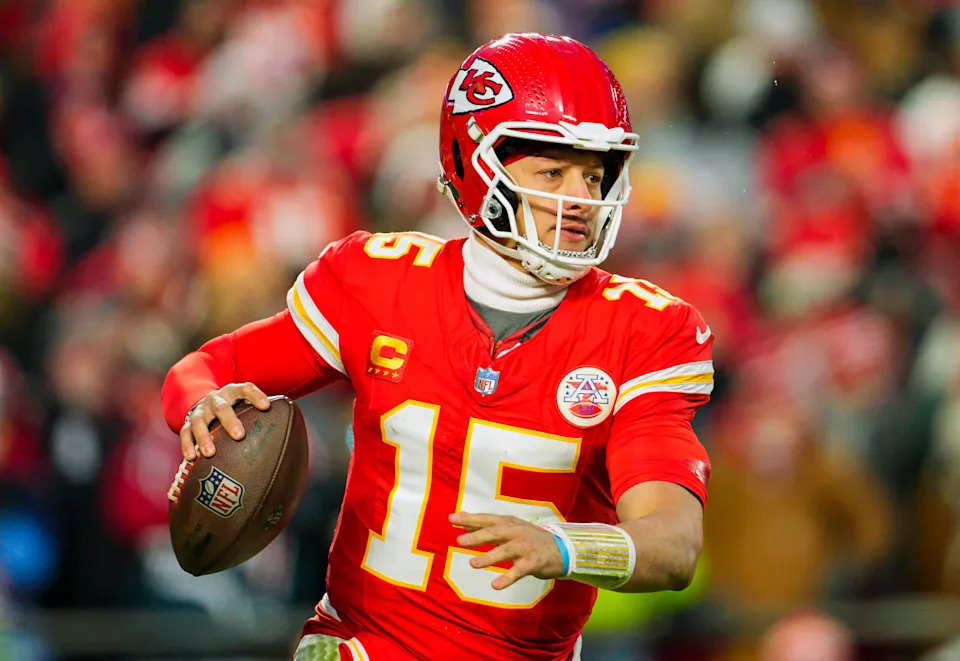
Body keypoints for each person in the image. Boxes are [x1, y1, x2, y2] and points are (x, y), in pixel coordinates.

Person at [161, 33, 714, 661]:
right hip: (363, 645)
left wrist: (565, 548)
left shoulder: (646, 330)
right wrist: (202, 406)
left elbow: (673, 542)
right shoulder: (378, 279)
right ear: (476, 166)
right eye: (553, 171)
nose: (581, 200)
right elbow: (204, 368)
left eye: (595, 174)